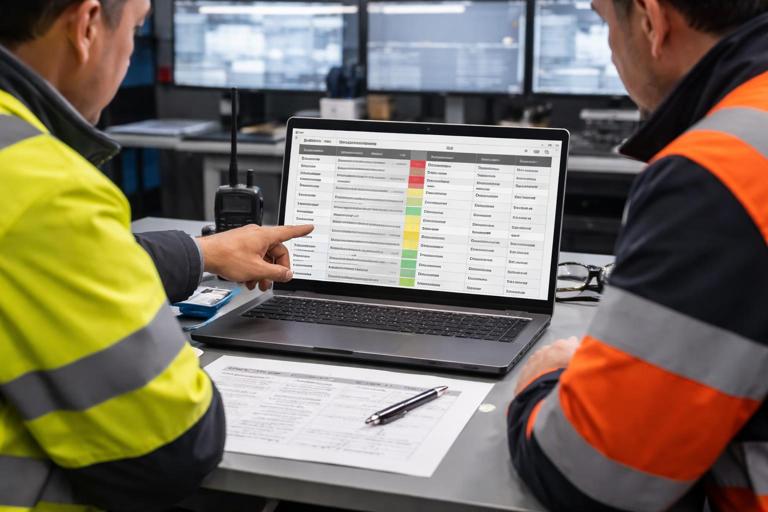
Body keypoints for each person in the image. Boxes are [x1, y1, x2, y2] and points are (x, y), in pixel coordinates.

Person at [0, 0, 313, 510]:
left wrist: (201, 253)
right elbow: (174, 448)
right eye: (137, 28)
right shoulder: (44, 183)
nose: (129, 56)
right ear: (85, 27)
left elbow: (29, 258)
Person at [508, 0, 768, 510]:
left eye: (605, 21)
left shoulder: (721, 171)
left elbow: (593, 479)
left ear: (651, 21)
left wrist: (545, 375)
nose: (609, 49)